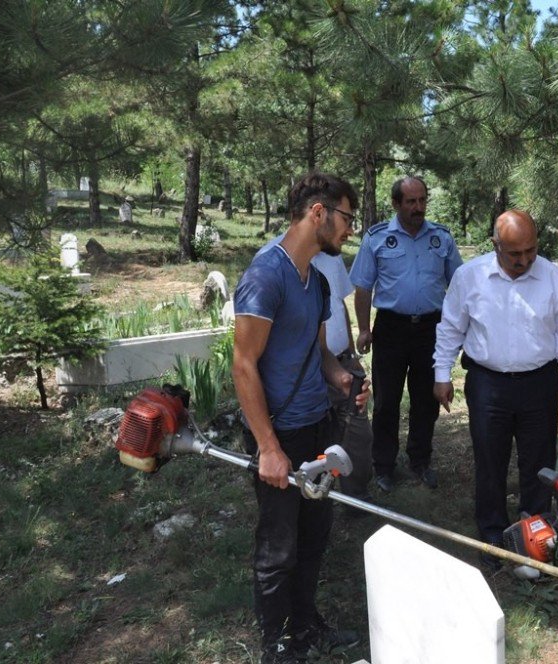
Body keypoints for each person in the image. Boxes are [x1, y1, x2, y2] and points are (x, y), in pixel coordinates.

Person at [232, 172, 370, 664]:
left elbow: (317, 351)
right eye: (347, 218)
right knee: (279, 544)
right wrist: (268, 447)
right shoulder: (266, 275)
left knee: (315, 533)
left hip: (317, 426)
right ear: (319, 213)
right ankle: (275, 645)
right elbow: (243, 364)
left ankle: (307, 626)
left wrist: (340, 379)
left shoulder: (317, 278)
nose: (350, 229)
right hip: (280, 432)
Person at [432, 209, 558, 560]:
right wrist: (442, 375)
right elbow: (451, 328)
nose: (524, 260)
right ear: (495, 245)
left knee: (539, 461)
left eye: (531, 250)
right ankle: (492, 536)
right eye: (514, 253)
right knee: (489, 460)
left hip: (539, 384)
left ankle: (537, 534)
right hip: (488, 385)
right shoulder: (469, 277)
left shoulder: (554, 279)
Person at [349, 176, 463, 492]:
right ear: (396, 204)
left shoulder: (441, 238)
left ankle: (420, 460)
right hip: (391, 328)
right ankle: (384, 466)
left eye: (422, 200)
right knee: (386, 401)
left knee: (426, 400)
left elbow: (459, 285)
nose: (418, 207)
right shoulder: (377, 238)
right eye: (410, 202)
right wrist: (363, 329)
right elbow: (363, 286)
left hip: (431, 328)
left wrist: (459, 329)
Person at [311, 251, 373, 501]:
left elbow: (339, 305)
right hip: (311, 371)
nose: (347, 231)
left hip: (343, 362)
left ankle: (356, 497)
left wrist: (350, 351)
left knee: (357, 434)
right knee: (317, 437)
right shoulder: (277, 257)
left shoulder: (331, 257)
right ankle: (316, 496)